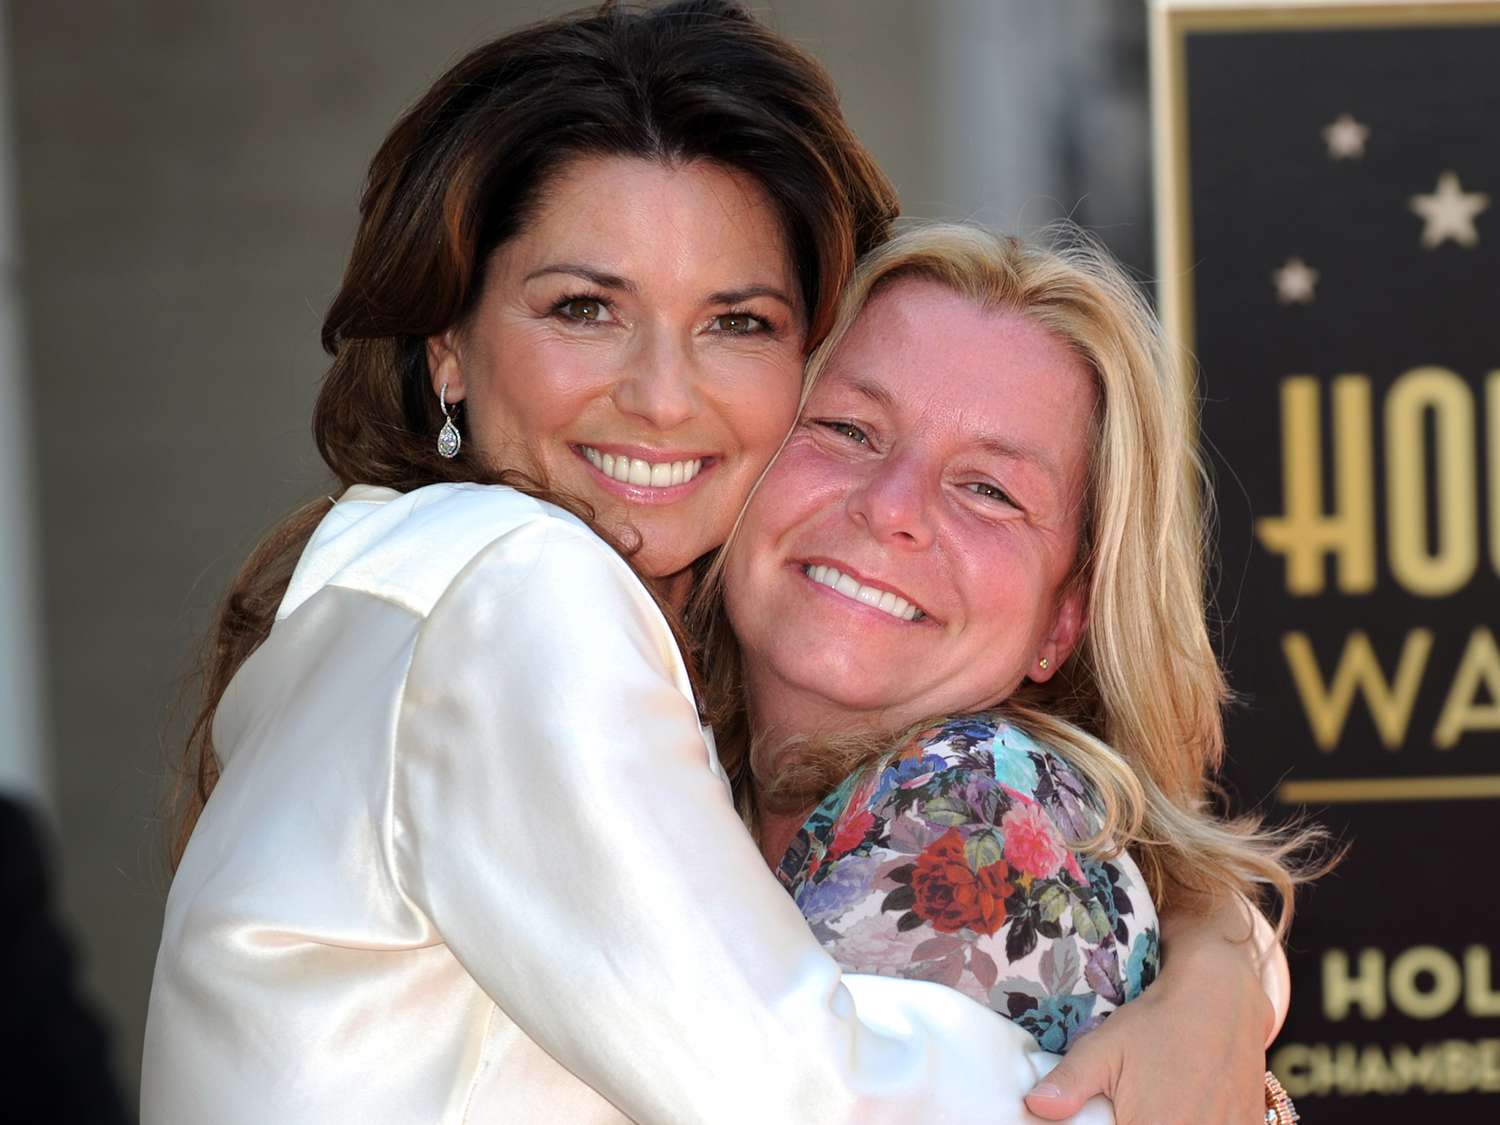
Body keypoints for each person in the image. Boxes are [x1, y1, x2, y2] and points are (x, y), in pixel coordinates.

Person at [144, 4, 1287, 1123]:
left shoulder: (405, 596)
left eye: (735, 322)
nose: (660, 396)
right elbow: (798, 1096)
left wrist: (1214, 963)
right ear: (449, 349)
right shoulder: (511, 586)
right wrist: (1210, 1021)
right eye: (585, 307)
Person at [709, 223, 1314, 1121]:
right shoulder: (676, 739)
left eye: (988, 488)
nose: (891, 508)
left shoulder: (967, 802)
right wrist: (1221, 947)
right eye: (848, 428)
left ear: (1064, 617)